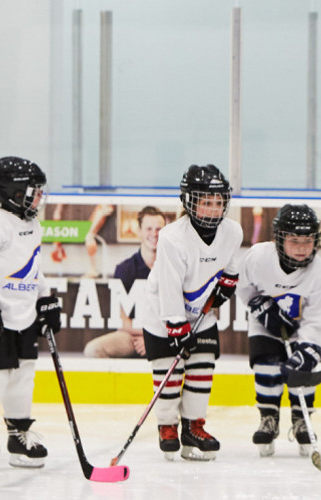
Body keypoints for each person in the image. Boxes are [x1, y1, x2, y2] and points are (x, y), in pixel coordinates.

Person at [137, 164, 242, 461]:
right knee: (169, 376)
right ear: (189, 201)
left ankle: (193, 427)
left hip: (202, 313)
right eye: (206, 201)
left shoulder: (232, 230)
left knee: (202, 369)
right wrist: (176, 325)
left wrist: (229, 283)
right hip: (162, 315)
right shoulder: (172, 237)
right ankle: (167, 425)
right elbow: (169, 286)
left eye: (219, 201)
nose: (213, 208)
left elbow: (230, 266)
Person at [0, 156, 61, 470]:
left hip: (25, 315)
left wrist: (45, 298)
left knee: (23, 378)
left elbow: (33, 266)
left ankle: (18, 435)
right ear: (13, 192)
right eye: (33, 191)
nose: (39, 197)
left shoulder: (31, 223)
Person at [237, 204, 321, 457]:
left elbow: (318, 320)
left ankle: (302, 419)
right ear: (279, 239)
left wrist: (308, 348)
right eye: (294, 241)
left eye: (308, 241)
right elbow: (242, 283)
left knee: (302, 368)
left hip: (301, 329)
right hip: (265, 322)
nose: (302, 248)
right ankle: (268, 417)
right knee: (265, 363)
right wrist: (257, 304)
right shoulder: (258, 257)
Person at [84, 206, 168, 358]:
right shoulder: (125, 269)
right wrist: (147, 335)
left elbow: (179, 314)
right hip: (132, 336)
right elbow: (121, 320)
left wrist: (155, 339)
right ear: (139, 231)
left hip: (166, 336)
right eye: (149, 229)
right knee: (93, 350)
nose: (154, 234)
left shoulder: (172, 268)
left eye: (159, 229)